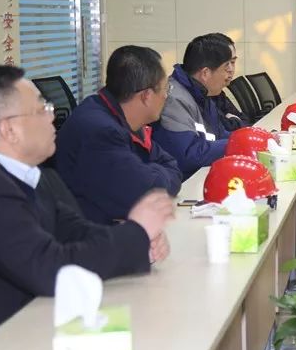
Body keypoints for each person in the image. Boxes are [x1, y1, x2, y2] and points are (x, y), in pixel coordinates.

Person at [0, 65, 174, 338]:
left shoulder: (34, 176)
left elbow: (75, 232)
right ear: (9, 130)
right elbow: (50, 269)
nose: (52, 116)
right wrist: (136, 232)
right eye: (42, 109)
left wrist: (140, 242)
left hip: (33, 326)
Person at [56, 46, 183, 225]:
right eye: (165, 88)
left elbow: (172, 166)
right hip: (90, 235)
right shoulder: (99, 131)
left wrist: (146, 173)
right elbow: (148, 193)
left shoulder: (124, 118)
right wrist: (148, 174)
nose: (166, 96)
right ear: (146, 96)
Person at [152, 33, 234, 178]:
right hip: (183, 183)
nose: (231, 72)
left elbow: (219, 134)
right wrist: (238, 145)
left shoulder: (202, 94)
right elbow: (188, 155)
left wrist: (250, 137)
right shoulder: (174, 99)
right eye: (226, 66)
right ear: (205, 73)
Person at [209, 33, 253, 129]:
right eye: (226, 63)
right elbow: (222, 130)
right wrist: (235, 121)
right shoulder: (197, 99)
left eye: (232, 62)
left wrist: (234, 121)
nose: (231, 69)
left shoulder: (218, 93)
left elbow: (244, 120)